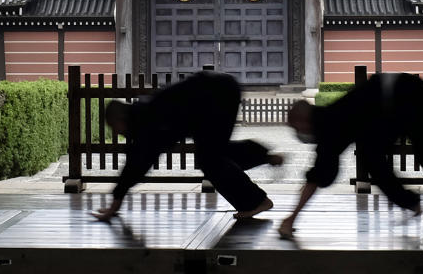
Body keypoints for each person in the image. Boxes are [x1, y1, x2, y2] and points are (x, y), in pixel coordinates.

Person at [279, 72, 423, 240]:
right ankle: (415, 203)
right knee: (375, 159)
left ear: (303, 122)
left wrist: (291, 218)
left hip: (405, 97)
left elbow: (318, 176)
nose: (299, 135)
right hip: (398, 99)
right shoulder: (329, 119)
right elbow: (322, 173)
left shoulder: (328, 125)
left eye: (297, 129)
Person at [92, 70, 282, 222]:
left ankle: (256, 201)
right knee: (215, 153)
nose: (116, 132)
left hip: (218, 95)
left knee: (210, 160)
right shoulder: (142, 117)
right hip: (215, 96)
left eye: (114, 127)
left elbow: (137, 164)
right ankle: (264, 157)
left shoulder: (147, 121)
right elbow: (137, 161)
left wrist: (115, 203)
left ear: (121, 118)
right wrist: (117, 200)